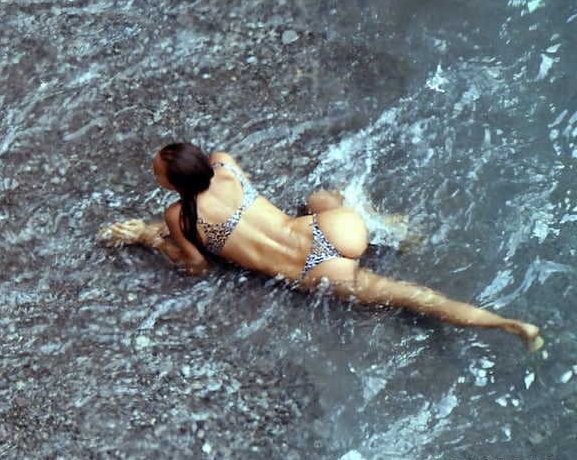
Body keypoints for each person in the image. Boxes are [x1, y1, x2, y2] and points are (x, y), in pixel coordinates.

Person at [98, 142, 544, 352]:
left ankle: (509, 326)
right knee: (318, 198)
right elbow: (244, 193)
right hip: (333, 229)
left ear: (173, 185)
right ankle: (388, 228)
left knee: (413, 298)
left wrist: (149, 236)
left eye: (158, 172)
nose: (155, 174)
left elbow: (196, 267)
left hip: (314, 272)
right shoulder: (226, 166)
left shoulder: (180, 217)